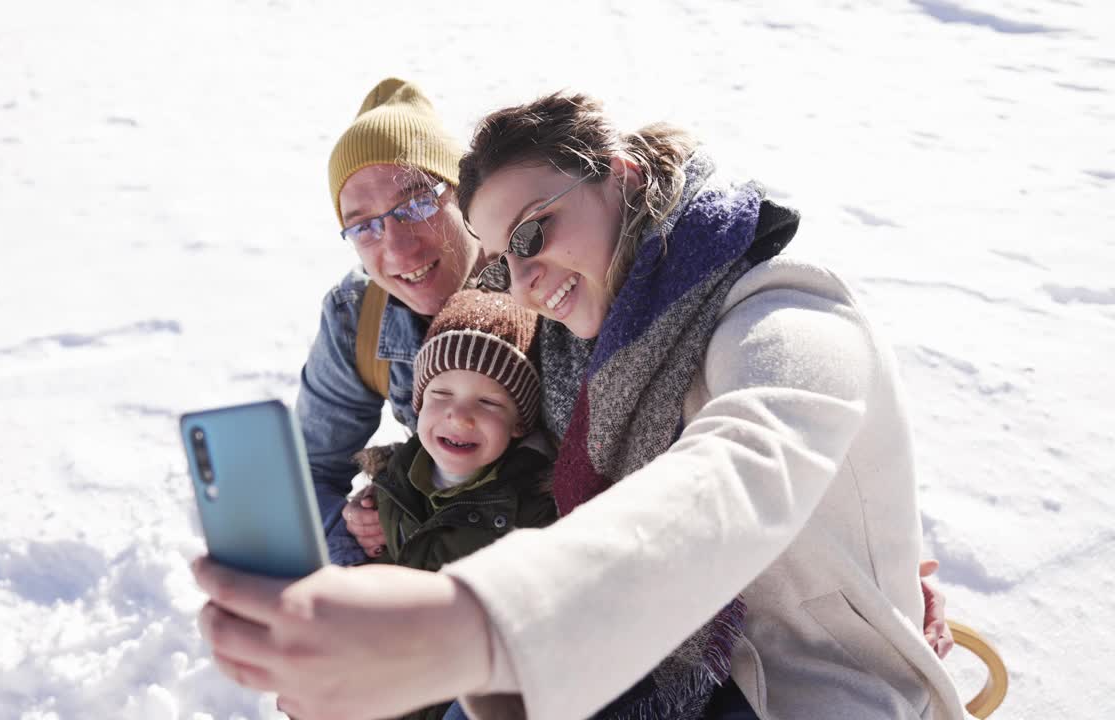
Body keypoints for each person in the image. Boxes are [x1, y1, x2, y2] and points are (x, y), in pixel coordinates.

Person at [191, 87, 962, 720]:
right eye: (362, 226)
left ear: (621, 177)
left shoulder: (785, 304)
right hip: (637, 644)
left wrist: (465, 624)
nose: (524, 280)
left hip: (801, 687)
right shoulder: (575, 329)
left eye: (529, 234)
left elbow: (748, 465)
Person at [297, 77, 480, 567]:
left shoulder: (548, 287)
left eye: (417, 202)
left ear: (463, 194)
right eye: (363, 226)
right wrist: (363, 540)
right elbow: (308, 473)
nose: (397, 248)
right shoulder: (358, 318)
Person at [357, 289, 557, 720]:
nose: (458, 416)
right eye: (441, 395)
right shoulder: (395, 482)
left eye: (487, 402)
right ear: (419, 403)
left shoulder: (530, 509)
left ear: (520, 421)